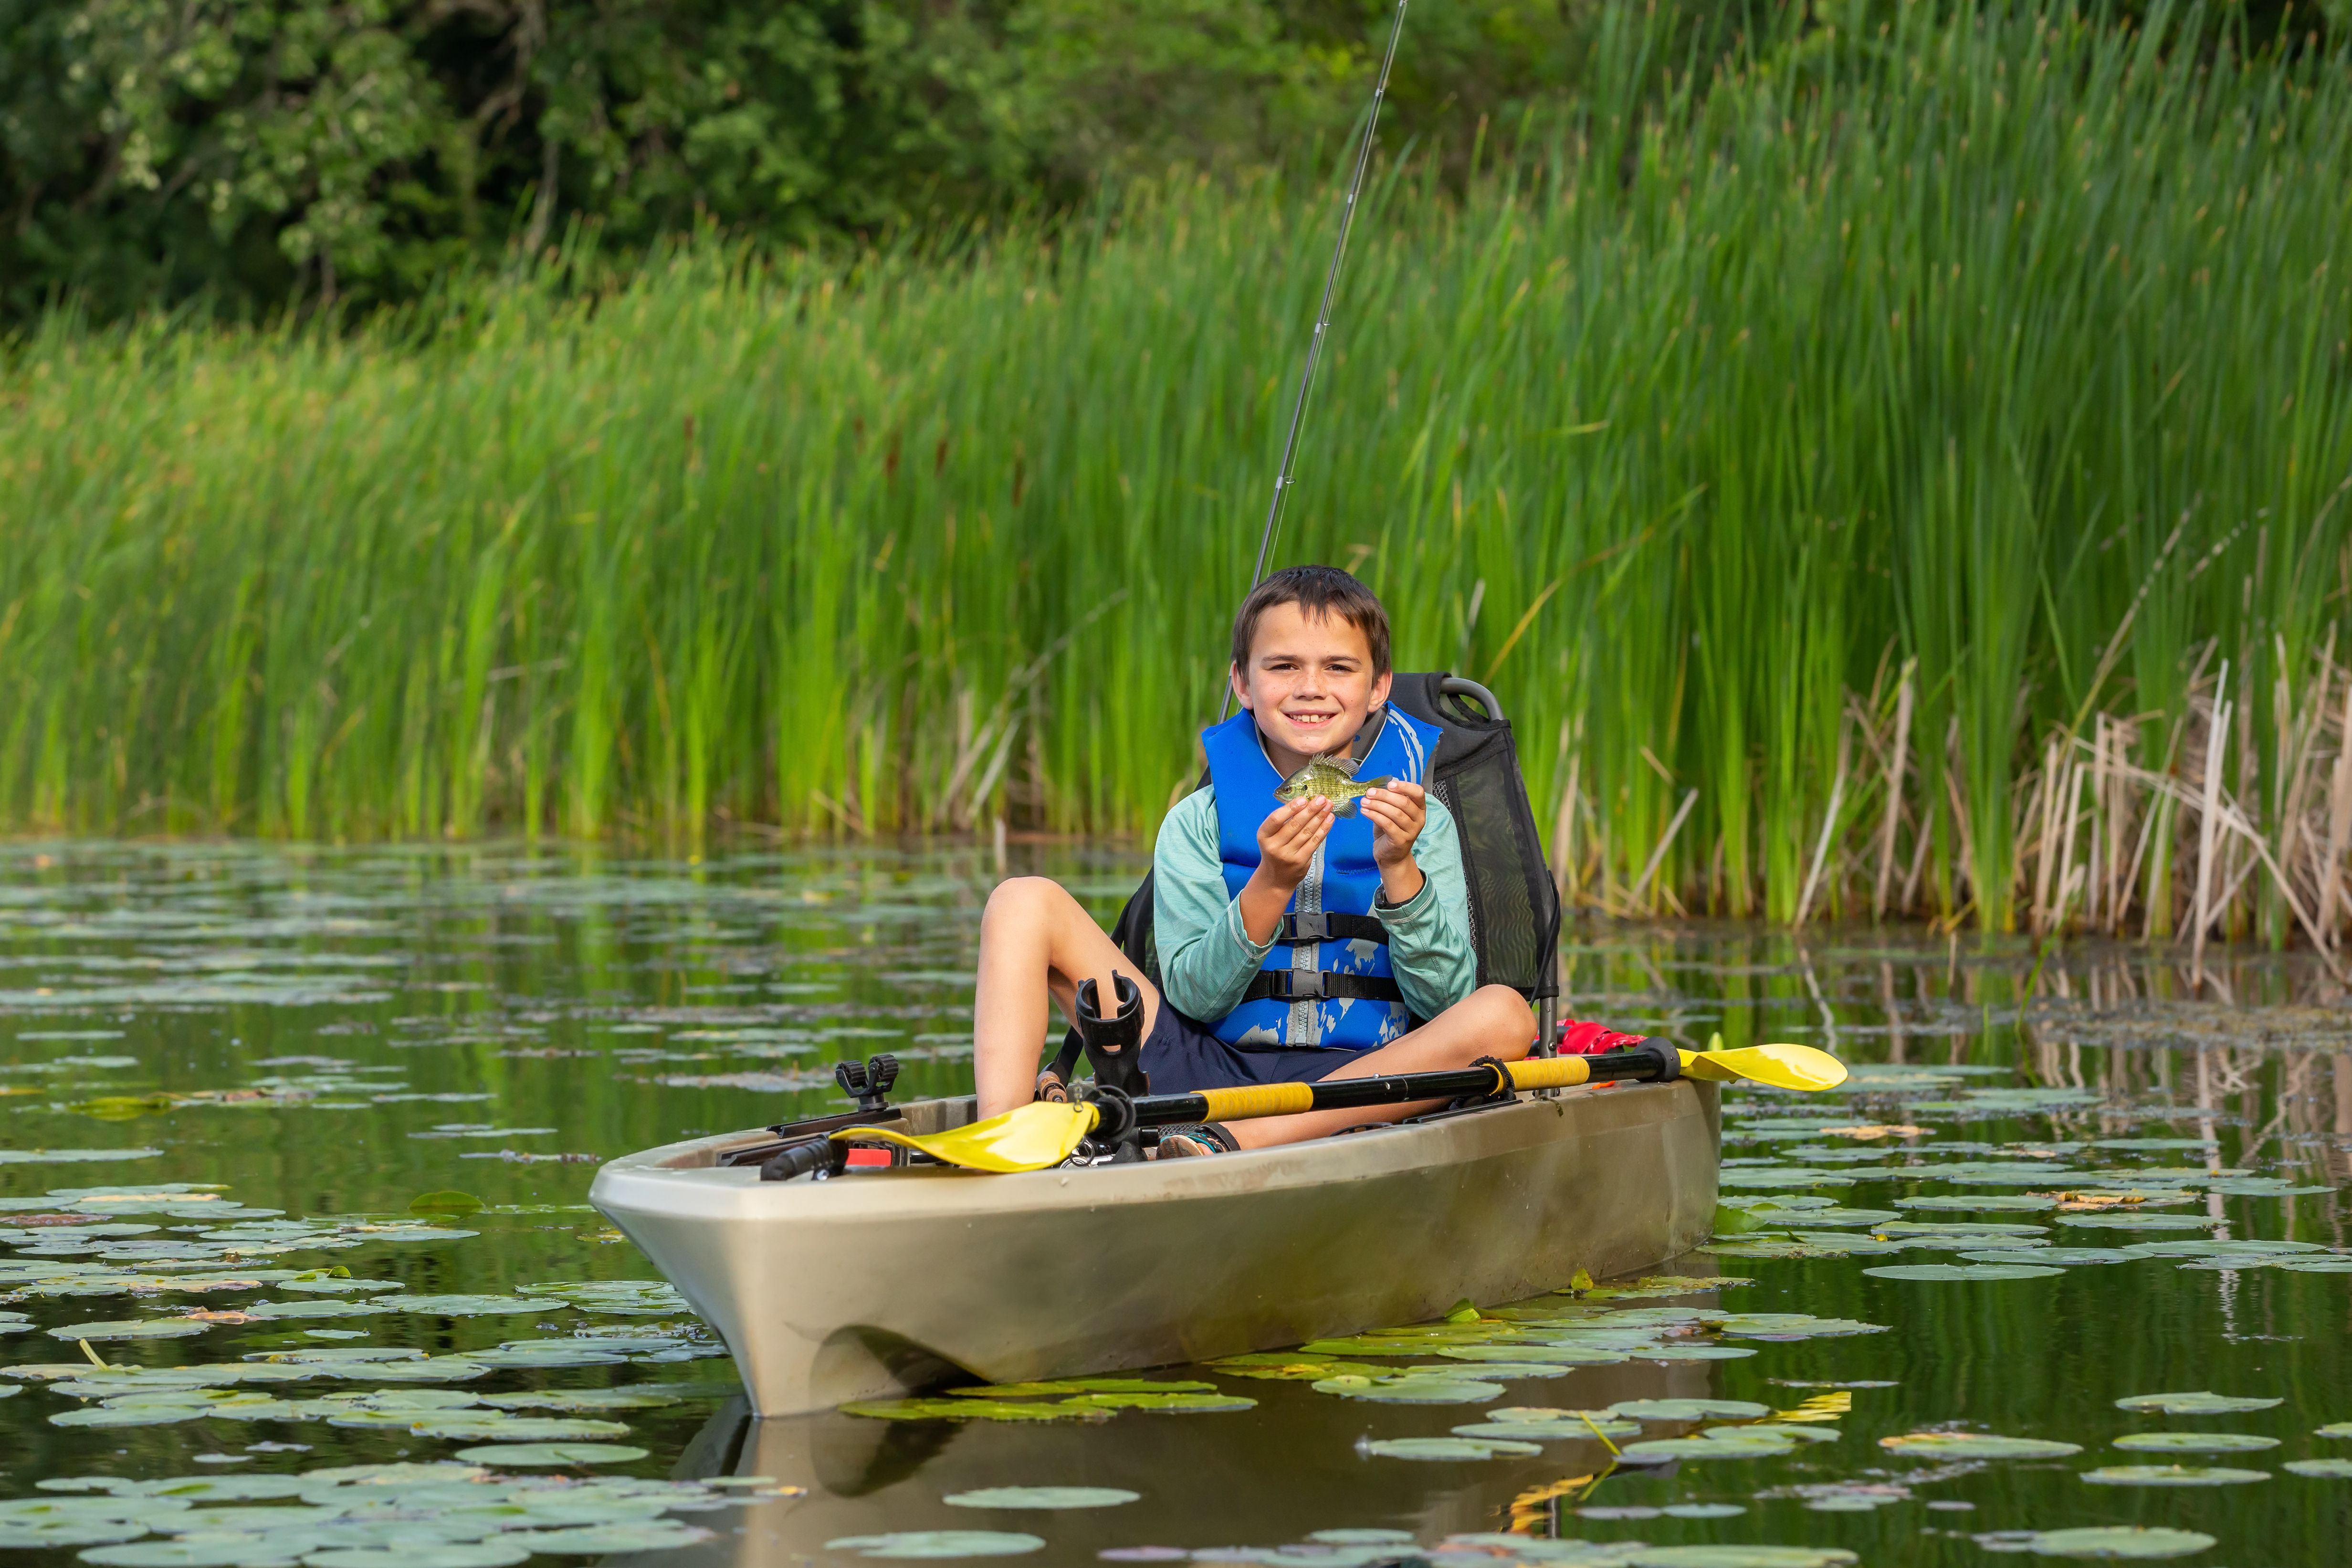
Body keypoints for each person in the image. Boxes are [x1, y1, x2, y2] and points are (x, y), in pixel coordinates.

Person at [970, 565, 1537, 1155]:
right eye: (1283, 666)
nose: (1310, 687)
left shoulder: (1422, 822)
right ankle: (1000, 1141)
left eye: (1338, 667)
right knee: (1021, 902)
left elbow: (1445, 1003)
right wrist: (1269, 885)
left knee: (1504, 1015)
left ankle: (1238, 1139)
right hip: (1201, 1074)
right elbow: (1194, 998)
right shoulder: (1196, 821)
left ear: (1378, 689)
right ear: (1242, 683)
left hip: (1368, 1082)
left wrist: (1399, 868)